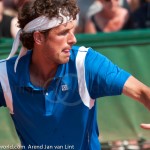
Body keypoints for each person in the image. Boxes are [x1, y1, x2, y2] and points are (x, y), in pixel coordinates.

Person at [0, 0, 150, 149]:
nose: (73, 39)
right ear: (38, 37)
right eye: (63, 33)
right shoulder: (5, 74)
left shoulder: (85, 63)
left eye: (72, 31)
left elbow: (142, 92)